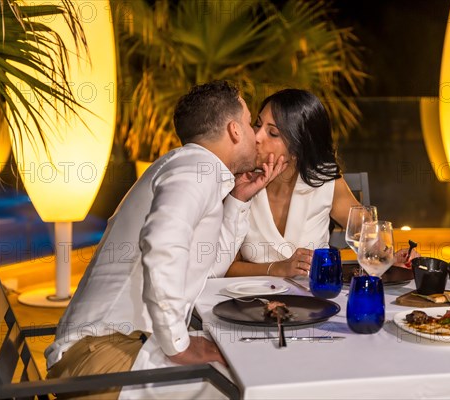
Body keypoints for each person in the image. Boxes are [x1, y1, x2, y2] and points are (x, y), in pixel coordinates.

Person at [45, 81, 285, 399]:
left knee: (245, 369)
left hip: (106, 350)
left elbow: (207, 269)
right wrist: (178, 345)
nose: (256, 136)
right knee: (248, 382)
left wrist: (239, 201)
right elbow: (161, 245)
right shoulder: (195, 168)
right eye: (249, 122)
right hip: (101, 360)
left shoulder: (192, 170)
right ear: (234, 131)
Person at [219, 89, 415, 279]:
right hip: (250, 302)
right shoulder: (239, 181)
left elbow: (371, 242)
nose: (257, 137)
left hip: (314, 302)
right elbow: (224, 268)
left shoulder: (325, 182)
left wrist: (391, 259)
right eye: (257, 125)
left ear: (298, 146)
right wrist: (277, 269)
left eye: (272, 132)